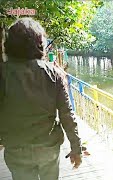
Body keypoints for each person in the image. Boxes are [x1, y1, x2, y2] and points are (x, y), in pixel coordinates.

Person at [0, 18, 82, 180]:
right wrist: (76, 148)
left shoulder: (3, 73)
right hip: (48, 146)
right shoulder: (54, 73)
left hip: (16, 146)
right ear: (39, 43)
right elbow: (67, 114)